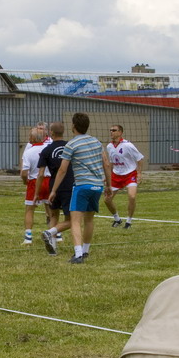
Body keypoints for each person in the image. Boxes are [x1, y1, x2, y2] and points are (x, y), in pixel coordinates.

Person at [48, 112, 112, 263]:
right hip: (97, 186)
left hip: (82, 185)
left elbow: (62, 170)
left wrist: (54, 190)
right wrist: (109, 185)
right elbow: (106, 164)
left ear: (74, 126)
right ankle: (85, 251)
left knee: (75, 221)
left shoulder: (71, 144)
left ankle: (78, 255)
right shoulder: (96, 142)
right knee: (89, 220)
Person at [37, 122, 72, 254]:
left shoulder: (46, 150)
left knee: (53, 216)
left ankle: (52, 247)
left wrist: (37, 192)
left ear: (51, 133)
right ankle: (50, 232)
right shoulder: (70, 147)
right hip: (69, 186)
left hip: (54, 187)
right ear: (63, 132)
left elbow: (40, 174)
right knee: (71, 220)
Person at [103, 124, 145, 229]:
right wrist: (107, 176)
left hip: (130, 173)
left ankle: (129, 222)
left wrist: (139, 173)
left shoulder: (128, 145)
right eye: (110, 130)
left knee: (132, 196)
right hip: (116, 175)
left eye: (114, 130)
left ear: (120, 132)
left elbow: (139, 159)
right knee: (107, 200)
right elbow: (112, 162)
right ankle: (117, 219)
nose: (111, 132)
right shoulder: (109, 146)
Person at [19, 128, 50, 244]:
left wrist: (24, 181)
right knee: (51, 209)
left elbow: (24, 172)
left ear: (32, 138)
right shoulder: (48, 150)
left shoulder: (28, 152)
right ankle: (56, 235)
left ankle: (28, 237)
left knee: (29, 210)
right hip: (48, 180)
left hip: (34, 182)